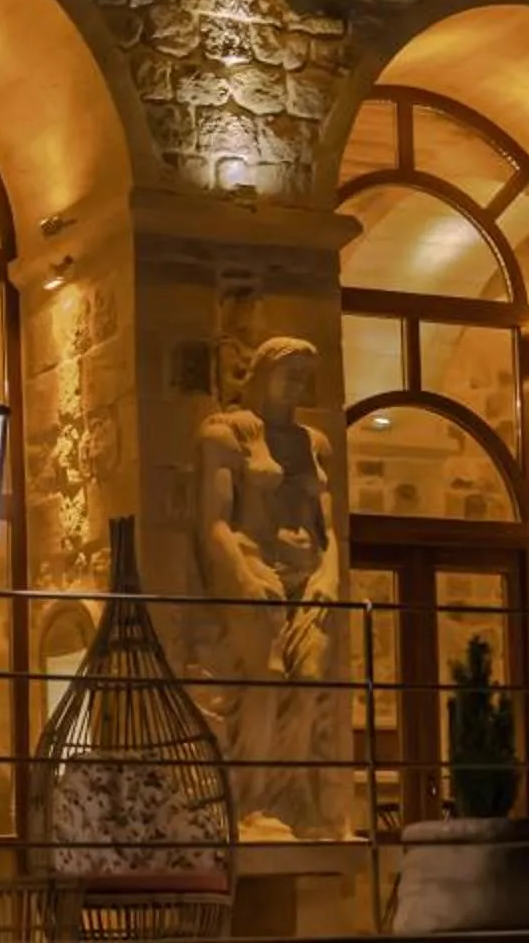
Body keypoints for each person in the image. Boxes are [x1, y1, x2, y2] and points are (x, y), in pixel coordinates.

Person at [194, 335, 340, 839]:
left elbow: (329, 529)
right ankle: (249, 801)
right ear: (261, 373)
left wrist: (329, 576)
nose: (298, 383)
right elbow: (212, 522)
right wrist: (242, 575)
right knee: (266, 673)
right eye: (289, 372)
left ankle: (290, 796)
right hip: (255, 564)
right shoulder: (227, 434)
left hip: (308, 573)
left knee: (313, 676)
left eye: (305, 374)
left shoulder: (314, 443)